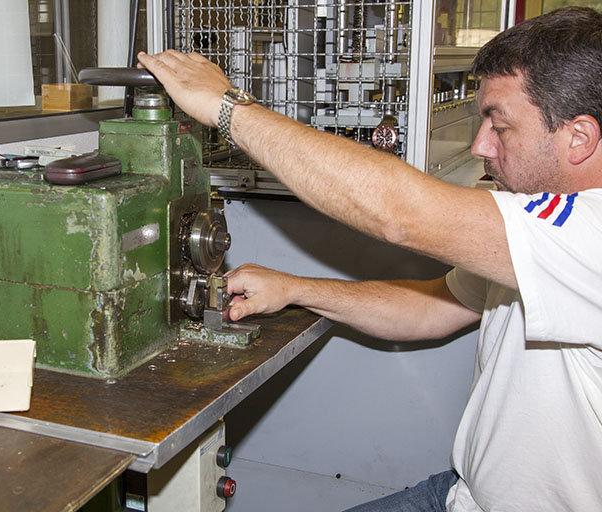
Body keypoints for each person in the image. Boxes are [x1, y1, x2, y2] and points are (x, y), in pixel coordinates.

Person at [138, 6, 602, 511]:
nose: (480, 144)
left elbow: (398, 212)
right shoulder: (537, 236)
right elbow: (431, 308)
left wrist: (226, 107)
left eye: (501, 126)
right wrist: (296, 289)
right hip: (462, 493)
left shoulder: (588, 233)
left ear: (578, 137)